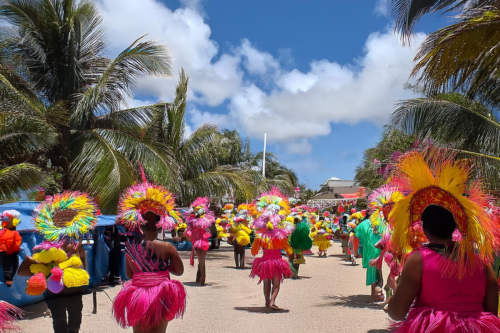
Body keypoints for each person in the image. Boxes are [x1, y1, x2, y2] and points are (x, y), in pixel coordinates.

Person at [387, 150, 500, 332]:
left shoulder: (418, 259)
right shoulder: (480, 262)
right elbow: (492, 313)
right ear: (455, 227)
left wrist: (393, 296)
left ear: (425, 228)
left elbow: (397, 313)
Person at [114, 170, 185, 333]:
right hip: (161, 295)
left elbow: (129, 275)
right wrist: (164, 269)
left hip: (137, 296)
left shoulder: (130, 246)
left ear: (140, 224)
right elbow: (179, 271)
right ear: (160, 224)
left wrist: (144, 274)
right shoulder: (167, 247)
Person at [18, 191, 98, 333]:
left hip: (74, 289)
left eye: (67, 219)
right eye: (60, 219)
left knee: (75, 320)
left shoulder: (76, 241)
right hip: (54, 292)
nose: (64, 222)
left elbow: (83, 262)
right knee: (59, 320)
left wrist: (84, 272)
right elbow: (28, 268)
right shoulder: (46, 247)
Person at [250, 188, 293, 310]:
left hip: (265, 262)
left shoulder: (261, 237)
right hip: (277, 262)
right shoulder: (281, 236)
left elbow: (254, 251)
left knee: (266, 283)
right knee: (276, 284)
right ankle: (273, 301)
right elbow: (288, 249)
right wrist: (290, 256)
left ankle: (267, 301)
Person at [184, 197, 215, 285]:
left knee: (201, 260)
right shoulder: (204, 222)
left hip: (197, 242)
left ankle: (202, 278)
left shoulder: (192, 222)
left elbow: (189, 232)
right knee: (202, 260)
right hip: (203, 242)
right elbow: (209, 231)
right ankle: (201, 277)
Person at [228, 203, 256, 269]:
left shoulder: (236, 222)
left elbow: (231, 229)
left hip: (237, 237)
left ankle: (238, 265)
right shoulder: (244, 223)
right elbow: (248, 231)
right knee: (241, 251)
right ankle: (241, 265)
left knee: (236, 251)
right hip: (242, 238)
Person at [0, 210, 22, 287]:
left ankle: (10, 277)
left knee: (15, 263)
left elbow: (17, 240)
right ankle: (8, 278)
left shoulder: (14, 232)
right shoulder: (3, 231)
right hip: (5, 251)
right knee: (8, 265)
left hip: (13, 251)